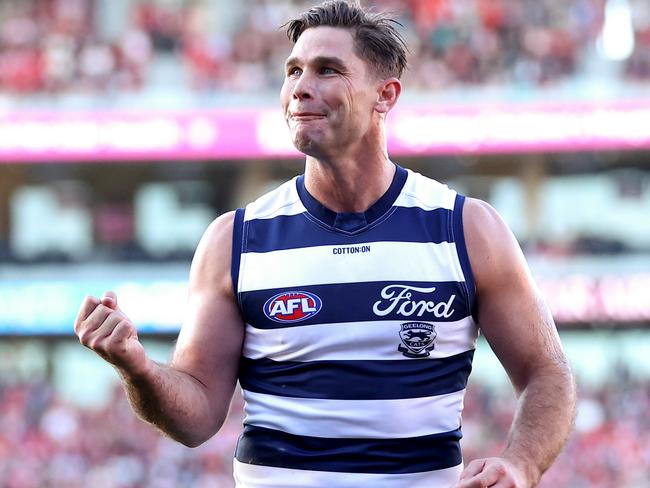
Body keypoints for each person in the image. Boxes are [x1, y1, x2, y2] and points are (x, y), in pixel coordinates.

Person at [74, 1, 576, 487]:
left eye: (327, 70)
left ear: (386, 95)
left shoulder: (466, 230)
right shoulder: (237, 239)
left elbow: (547, 375)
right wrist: (136, 367)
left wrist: (521, 464)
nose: (300, 88)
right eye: (293, 71)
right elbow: (197, 416)